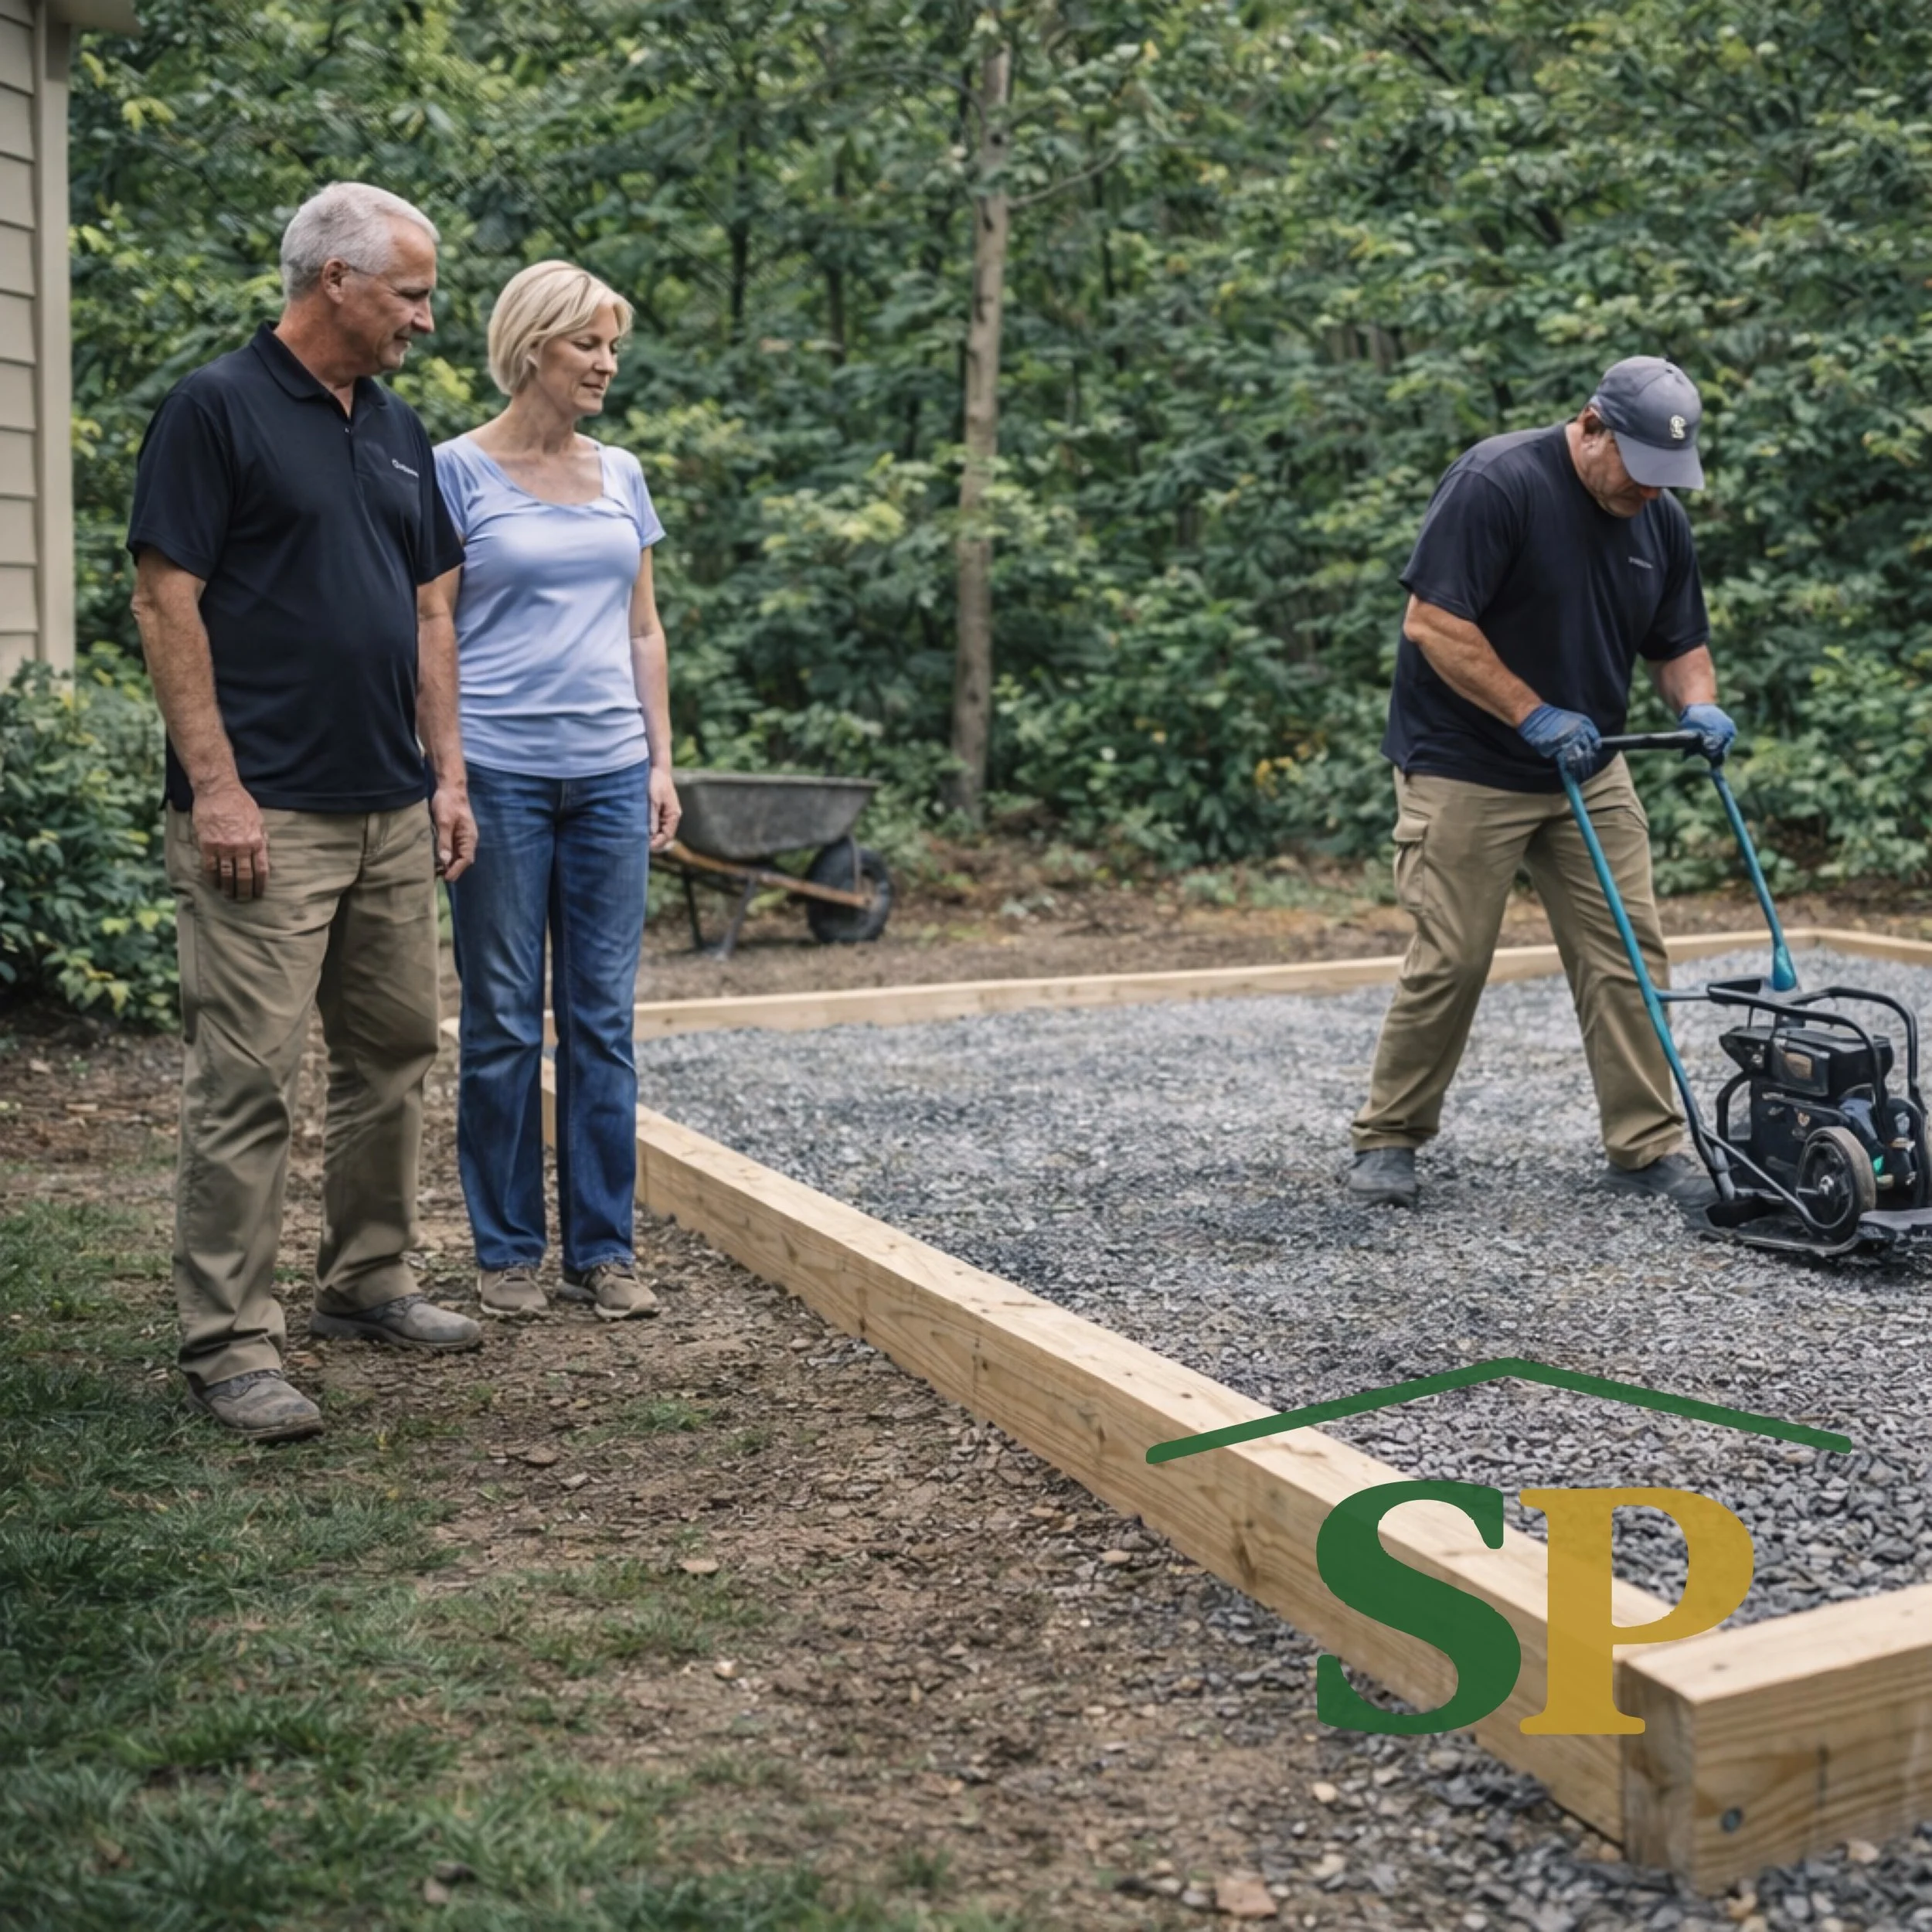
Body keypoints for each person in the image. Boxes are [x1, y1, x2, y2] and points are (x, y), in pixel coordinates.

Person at [128, 182, 483, 1444]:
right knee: (250, 1077)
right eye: (410, 294)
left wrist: (446, 775)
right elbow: (167, 601)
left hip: (391, 801)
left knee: (392, 1051)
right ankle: (230, 1342)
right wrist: (216, 785)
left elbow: (433, 608)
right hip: (264, 813)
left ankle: (369, 1279)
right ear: (334, 280)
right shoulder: (214, 411)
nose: (427, 319)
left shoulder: (394, 424)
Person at [1347, 355, 1736, 1212]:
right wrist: (1530, 713)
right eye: (1638, 470)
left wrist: (1698, 706)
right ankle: (1389, 1135)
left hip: (1588, 766)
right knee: (1453, 956)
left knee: (1627, 952)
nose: (1649, 491)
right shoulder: (1497, 482)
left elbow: (1679, 647)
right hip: (1465, 762)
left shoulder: (1657, 519)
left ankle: (1642, 1147)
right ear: (1591, 426)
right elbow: (1432, 623)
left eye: (1666, 478)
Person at [432, 260, 680, 1322]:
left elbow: (642, 628)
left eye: (614, 346)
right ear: (534, 344)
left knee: (601, 1019)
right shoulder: (453, 472)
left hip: (613, 776)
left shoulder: (622, 473)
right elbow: (429, 627)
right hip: (499, 774)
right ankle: (505, 1252)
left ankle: (604, 1249)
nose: (607, 365)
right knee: (499, 1020)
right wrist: (446, 772)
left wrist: (661, 760)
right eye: (590, 344)